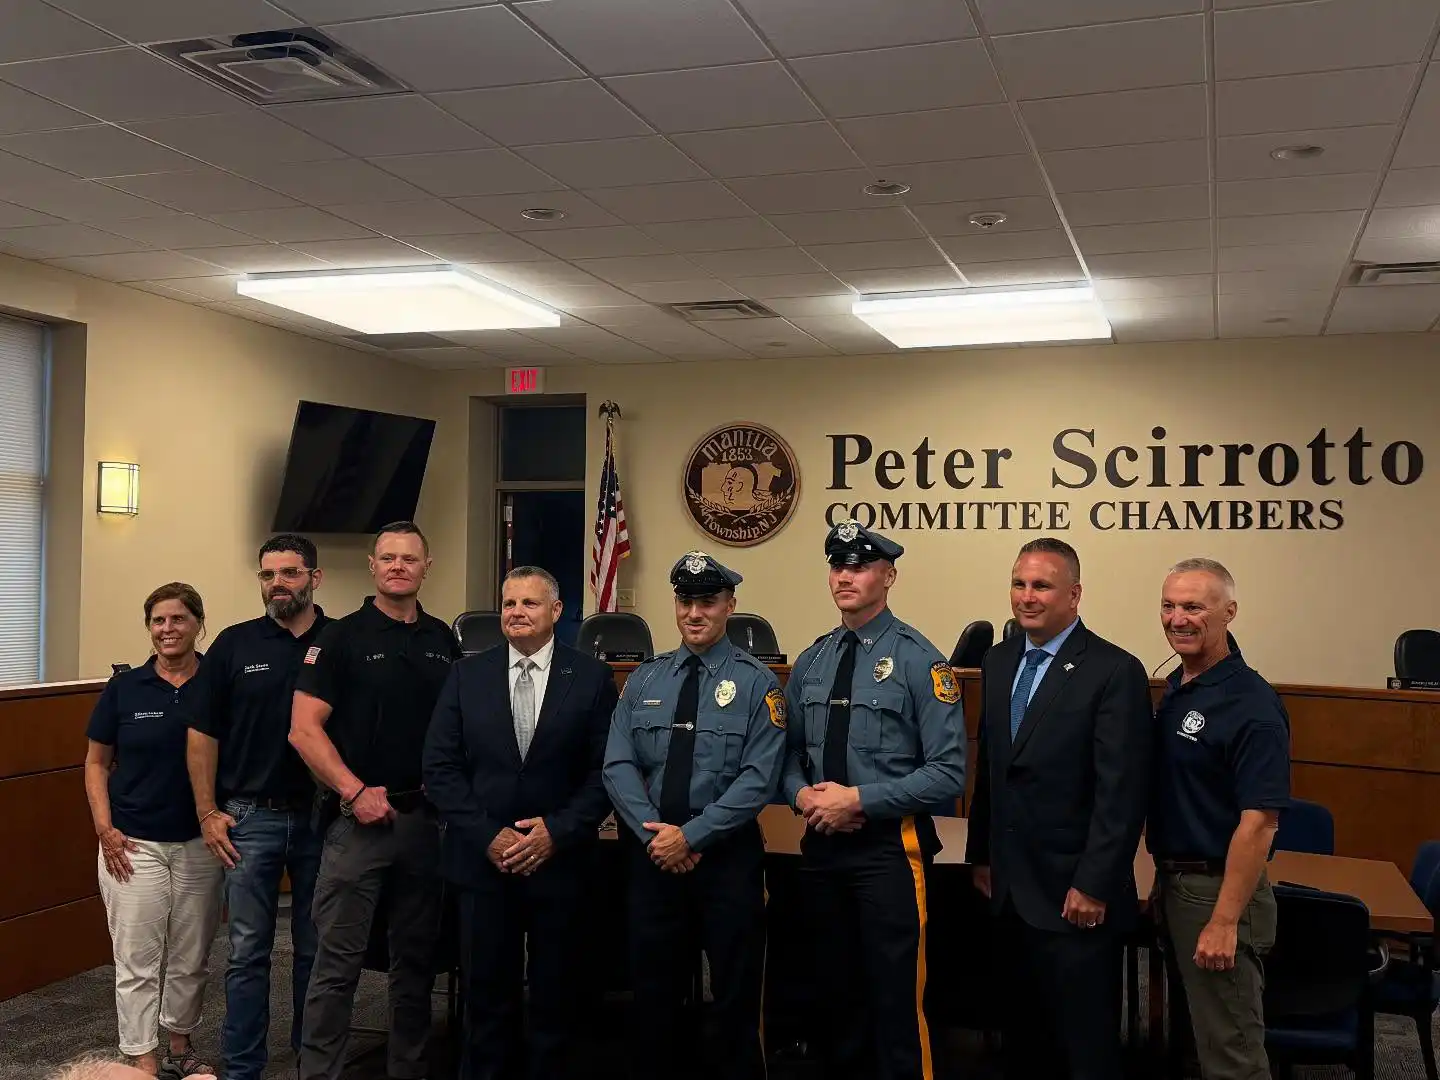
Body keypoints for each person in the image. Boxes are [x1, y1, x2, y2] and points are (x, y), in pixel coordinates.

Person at [780, 520, 965, 1080]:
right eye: (837, 566)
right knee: (835, 1000)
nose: (845, 576)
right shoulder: (812, 660)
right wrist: (801, 795)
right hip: (821, 850)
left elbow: (949, 773)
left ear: (888, 577)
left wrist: (860, 799)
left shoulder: (919, 660)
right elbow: (784, 754)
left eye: (859, 566)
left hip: (890, 851)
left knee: (896, 1004)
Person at [964, 538, 1153, 1080]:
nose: (1027, 597)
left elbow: (1122, 793)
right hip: (1010, 892)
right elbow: (992, 771)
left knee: (1083, 1049)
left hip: (1076, 896)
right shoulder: (998, 661)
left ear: (1074, 595)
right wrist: (981, 854)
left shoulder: (1114, 670)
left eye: (1042, 586)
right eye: (1019, 584)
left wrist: (1094, 883)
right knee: (1024, 1043)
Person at [422, 565, 620, 1080]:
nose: (516, 613)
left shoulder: (592, 677)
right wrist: (490, 835)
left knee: (557, 997)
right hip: (484, 865)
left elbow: (607, 772)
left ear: (556, 612)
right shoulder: (466, 675)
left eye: (529, 604)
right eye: (509, 603)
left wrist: (557, 831)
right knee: (486, 998)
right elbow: (440, 769)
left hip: (562, 863)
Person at [602, 551, 786, 1080]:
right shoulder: (644, 680)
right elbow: (617, 765)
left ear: (730, 605)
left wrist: (693, 836)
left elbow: (758, 779)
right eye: (685, 601)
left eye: (707, 601)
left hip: (726, 861)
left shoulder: (758, 685)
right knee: (653, 994)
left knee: (734, 993)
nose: (694, 613)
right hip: (654, 860)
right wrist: (655, 836)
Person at [288, 521, 462, 1080]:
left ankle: (407, 1069)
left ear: (425, 567)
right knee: (336, 965)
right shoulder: (339, 638)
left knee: (416, 966)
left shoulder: (442, 641)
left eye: (409, 558)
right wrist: (354, 790)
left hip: (423, 825)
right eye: (388, 558)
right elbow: (303, 731)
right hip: (357, 824)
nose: (398, 567)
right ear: (372, 565)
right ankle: (319, 1074)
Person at [185, 535, 330, 1080]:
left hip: (324, 818)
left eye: (290, 573)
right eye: (268, 575)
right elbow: (201, 733)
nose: (278, 584)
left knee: (317, 952)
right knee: (247, 953)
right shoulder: (234, 645)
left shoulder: (339, 641)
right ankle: (243, 1069)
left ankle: (308, 1062)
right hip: (250, 818)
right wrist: (207, 810)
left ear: (314, 578)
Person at [1149, 558, 1288, 1080]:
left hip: (1218, 891)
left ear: (1229, 612)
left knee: (1232, 1054)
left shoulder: (1250, 703)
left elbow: (1260, 822)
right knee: (1199, 1043)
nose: (1177, 618)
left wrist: (1225, 921)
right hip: (1178, 882)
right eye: (1168, 605)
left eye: (1193, 606)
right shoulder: (1181, 683)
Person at [82, 583, 224, 1079]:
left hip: (201, 844)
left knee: (192, 957)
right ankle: (142, 1057)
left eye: (179, 619)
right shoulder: (126, 688)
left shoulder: (217, 681)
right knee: (138, 960)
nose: (168, 629)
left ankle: (180, 1045)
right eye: (159, 621)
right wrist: (105, 829)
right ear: (149, 628)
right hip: (133, 844)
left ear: (198, 624)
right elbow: (96, 764)